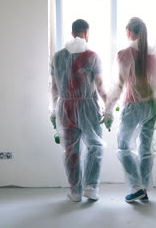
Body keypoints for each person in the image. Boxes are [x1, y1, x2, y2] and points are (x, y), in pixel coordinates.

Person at [50, 19, 107, 202]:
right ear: (87, 33)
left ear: (72, 32)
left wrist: (53, 110)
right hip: (88, 107)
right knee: (95, 146)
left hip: (65, 107)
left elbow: (54, 88)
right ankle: (91, 188)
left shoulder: (58, 57)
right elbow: (100, 86)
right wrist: (109, 107)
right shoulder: (92, 56)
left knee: (71, 150)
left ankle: (75, 192)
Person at [103, 17, 156, 203]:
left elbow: (118, 85)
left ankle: (137, 187)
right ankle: (144, 188)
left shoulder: (125, 53)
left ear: (129, 32)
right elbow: (155, 84)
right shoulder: (153, 54)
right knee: (145, 149)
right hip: (152, 106)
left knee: (124, 146)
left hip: (133, 107)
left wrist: (108, 109)